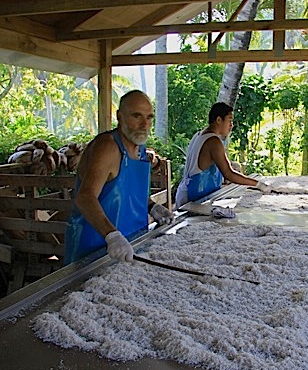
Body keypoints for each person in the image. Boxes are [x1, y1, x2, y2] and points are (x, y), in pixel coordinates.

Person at [64, 90, 174, 264]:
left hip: (131, 243)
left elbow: (127, 191)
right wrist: (112, 236)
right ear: (119, 117)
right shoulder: (107, 146)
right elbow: (85, 198)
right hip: (95, 248)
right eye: (136, 116)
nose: (144, 124)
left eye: (149, 117)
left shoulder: (140, 149)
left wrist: (152, 207)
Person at [175, 102, 272, 208]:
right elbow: (229, 174)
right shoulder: (213, 141)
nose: (231, 125)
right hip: (193, 198)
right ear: (218, 120)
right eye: (229, 120)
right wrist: (259, 185)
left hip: (185, 192)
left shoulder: (199, 135)